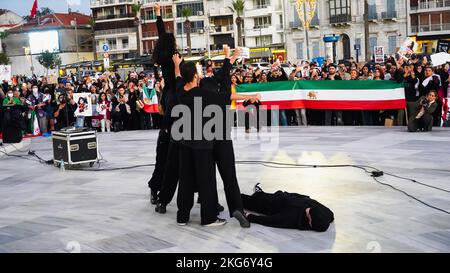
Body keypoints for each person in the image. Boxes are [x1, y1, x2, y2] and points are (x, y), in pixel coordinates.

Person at [148, 2, 179, 204]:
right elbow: (163, 35)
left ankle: (155, 188)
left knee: (163, 156)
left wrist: (158, 14)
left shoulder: (164, 57)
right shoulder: (172, 59)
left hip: (169, 98)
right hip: (175, 99)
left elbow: (161, 35)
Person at [242, 184, 334, 232]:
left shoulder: (294, 215)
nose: (307, 210)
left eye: (308, 213)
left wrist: (250, 216)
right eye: (309, 209)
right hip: (284, 198)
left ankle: (253, 195)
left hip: (272, 205)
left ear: (310, 222)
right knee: (263, 197)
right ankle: (258, 193)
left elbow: (273, 220)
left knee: (247, 201)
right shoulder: (327, 213)